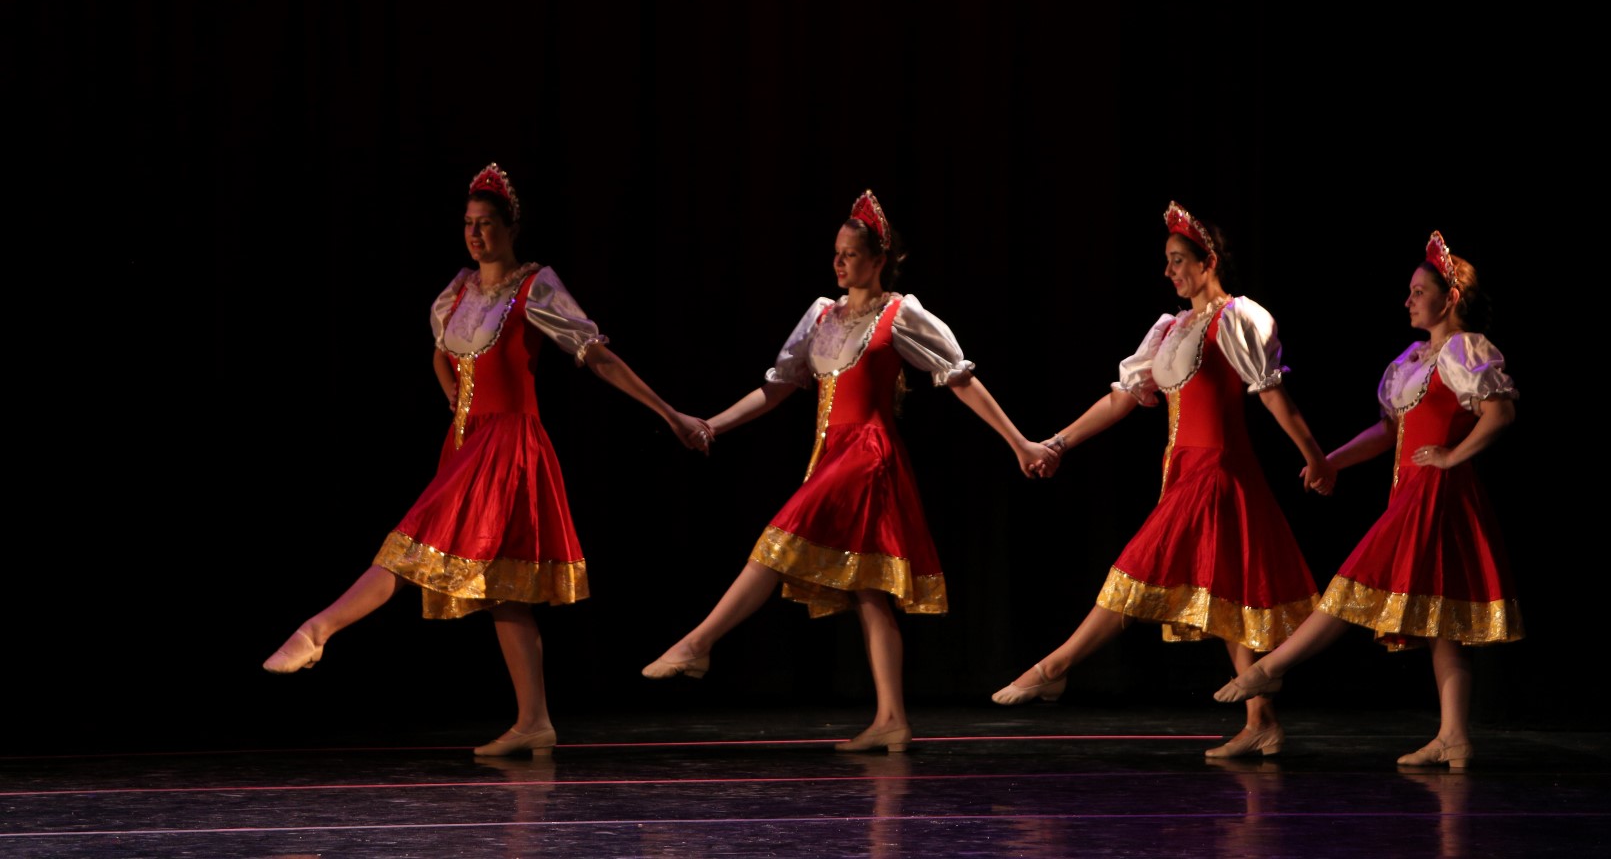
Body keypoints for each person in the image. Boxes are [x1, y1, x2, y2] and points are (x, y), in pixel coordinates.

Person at [262, 163, 710, 756]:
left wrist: (670, 413)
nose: (475, 234)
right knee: (502, 588)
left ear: (511, 228)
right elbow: (440, 351)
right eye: (469, 224)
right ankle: (534, 721)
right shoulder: (458, 291)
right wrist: (450, 388)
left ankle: (316, 630)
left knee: (412, 543)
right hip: (465, 444)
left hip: (507, 445)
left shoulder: (535, 286)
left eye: (487, 224)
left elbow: (596, 357)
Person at [640, 189, 1056, 753]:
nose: (839, 262)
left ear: (878, 260)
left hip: (868, 456)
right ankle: (892, 718)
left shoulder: (899, 314)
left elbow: (959, 378)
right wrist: (713, 425)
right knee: (867, 591)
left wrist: (1019, 442)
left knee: (780, 539)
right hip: (830, 457)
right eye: (836, 253)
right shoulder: (821, 315)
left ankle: (699, 642)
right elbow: (777, 387)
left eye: (851, 254)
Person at [993, 200, 1334, 760]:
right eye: (1168, 260)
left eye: (1178, 260)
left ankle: (1056, 666)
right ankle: (1262, 722)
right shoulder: (1172, 329)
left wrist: (1316, 458)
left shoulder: (1236, 317)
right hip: (1184, 472)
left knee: (1138, 567)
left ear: (1209, 261)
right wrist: (1057, 443)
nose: (1169, 271)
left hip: (1217, 471)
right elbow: (1122, 398)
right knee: (1227, 592)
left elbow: (1272, 393)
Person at [1214, 231, 1522, 769]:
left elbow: (1500, 413)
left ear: (1450, 298)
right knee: (1440, 621)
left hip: (1435, 494)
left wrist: (1452, 456)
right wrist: (1331, 460)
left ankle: (1271, 668)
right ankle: (1454, 735)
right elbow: (1388, 432)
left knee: (1354, 583)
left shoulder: (1463, 349)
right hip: (1414, 494)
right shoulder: (1415, 359)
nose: (1408, 300)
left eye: (1419, 291)